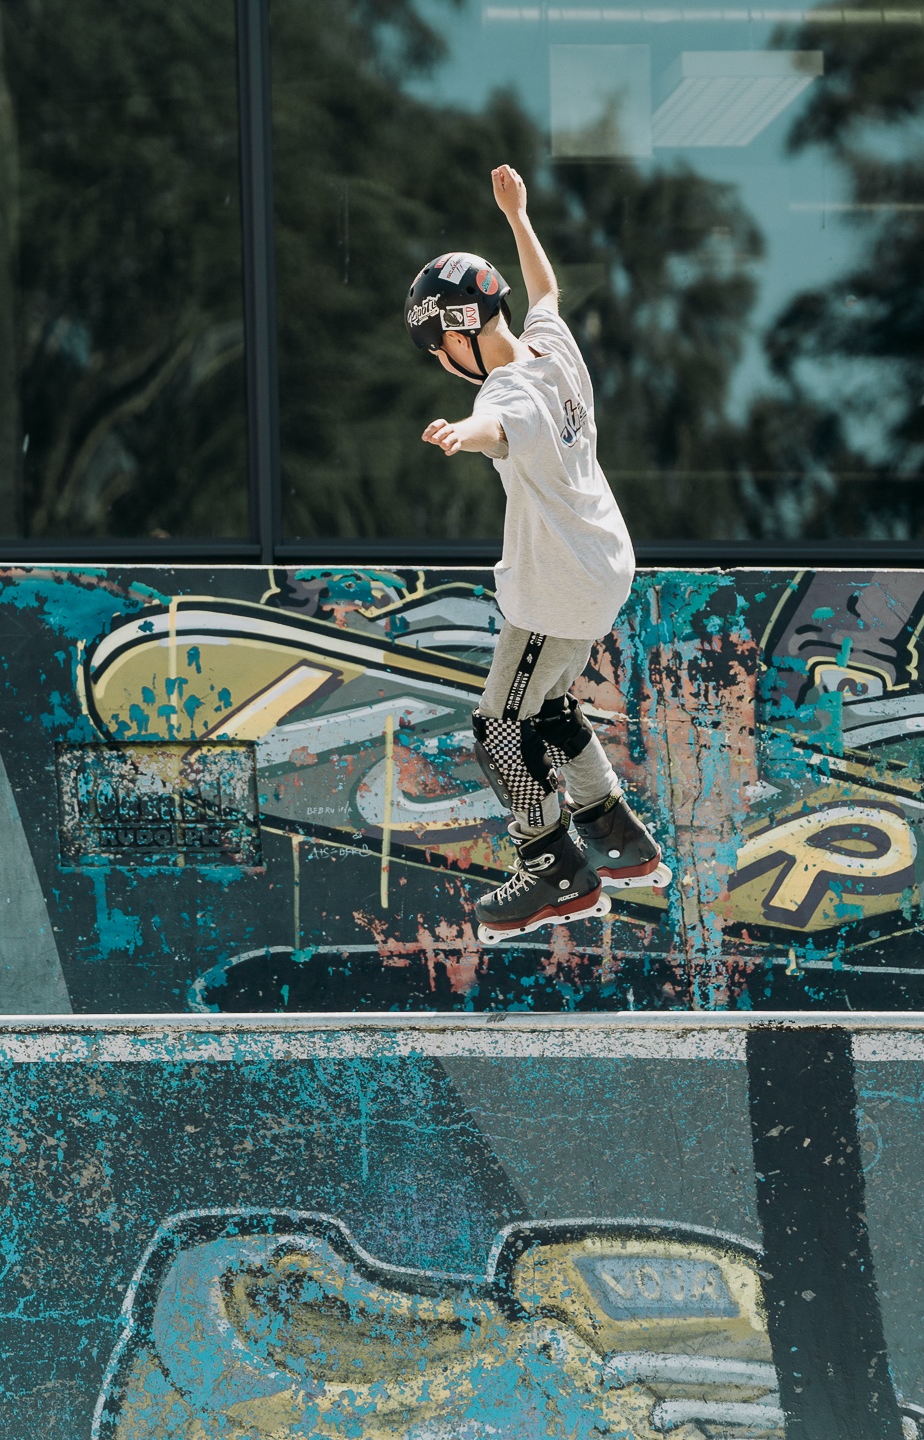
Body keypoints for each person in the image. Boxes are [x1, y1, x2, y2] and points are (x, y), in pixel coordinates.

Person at [405, 163, 670, 944]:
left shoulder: (505, 395)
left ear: (459, 333)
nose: (441, 362)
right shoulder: (552, 349)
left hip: (555, 589)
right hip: (604, 568)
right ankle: (617, 837)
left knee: (499, 725)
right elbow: (545, 290)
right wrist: (518, 218)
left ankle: (553, 868)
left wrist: (461, 434)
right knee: (547, 707)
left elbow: (498, 426)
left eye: (437, 349)